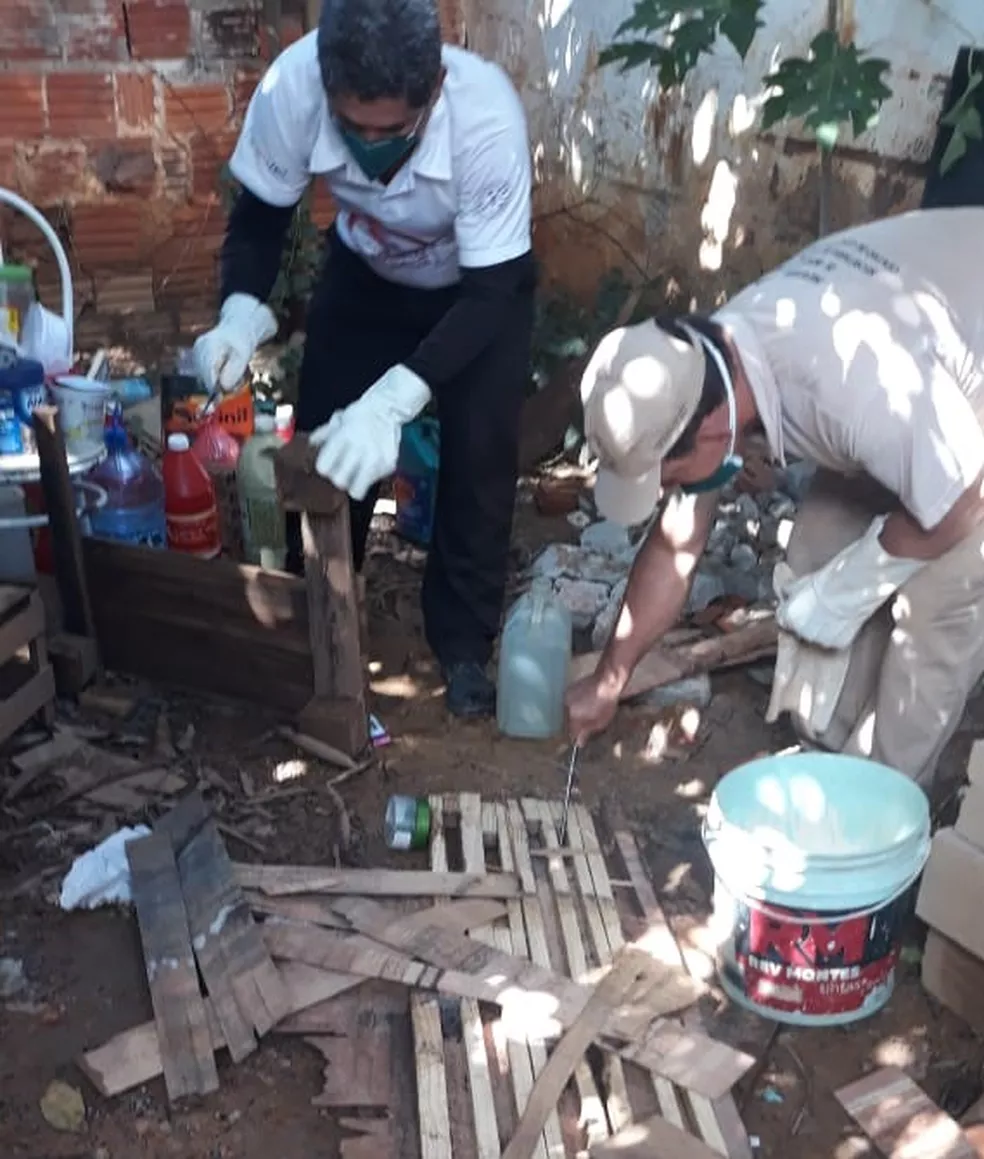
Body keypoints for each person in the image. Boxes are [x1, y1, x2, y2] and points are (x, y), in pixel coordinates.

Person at [193, 0, 536, 718]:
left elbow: (491, 294)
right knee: (323, 446)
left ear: (434, 89)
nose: (371, 145)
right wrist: (240, 310)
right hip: (366, 273)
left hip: (476, 295)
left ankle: (463, 640)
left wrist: (393, 400)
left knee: (479, 457)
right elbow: (259, 218)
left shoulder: (487, 119)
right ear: (326, 90)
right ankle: (315, 615)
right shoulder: (292, 89)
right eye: (354, 126)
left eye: (393, 129)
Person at [566, 206, 984, 792]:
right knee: (815, 555)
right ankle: (826, 756)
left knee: (936, 614)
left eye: (665, 476)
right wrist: (610, 678)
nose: (664, 493)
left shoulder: (850, 391)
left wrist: (853, 584)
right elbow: (676, 545)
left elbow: (964, 501)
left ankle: (878, 811)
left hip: (967, 418)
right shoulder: (704, 370)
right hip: (923, 379)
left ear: (711, 433)